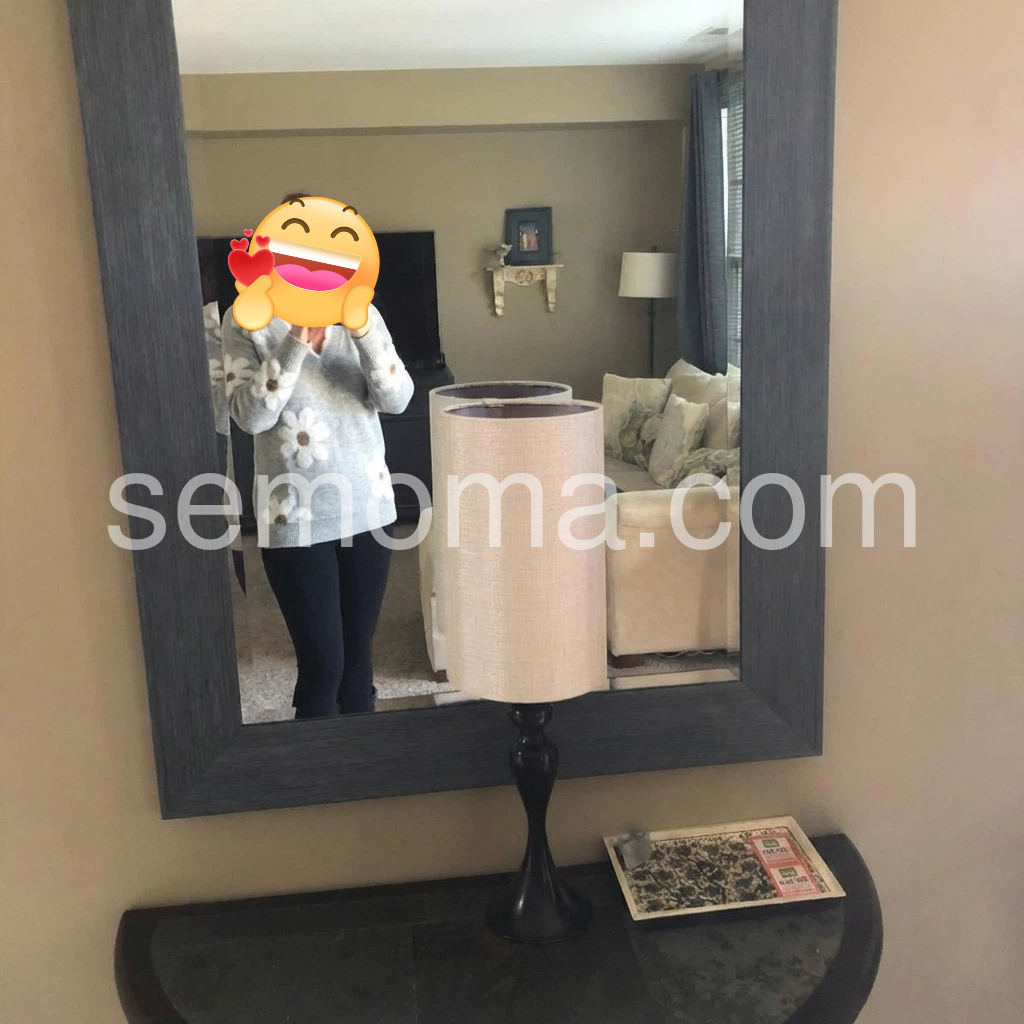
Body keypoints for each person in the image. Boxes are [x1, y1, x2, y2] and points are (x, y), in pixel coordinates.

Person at [222, 194, 414, 718]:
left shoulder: (364, 315)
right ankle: (316, 769)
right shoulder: (246, 320)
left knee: (359, 668)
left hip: (369, 509)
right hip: (295, 518)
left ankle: (364, 767)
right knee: (323, 666)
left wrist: (363, 331)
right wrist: (295, 342)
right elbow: (249, 416)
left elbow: (398, 399)